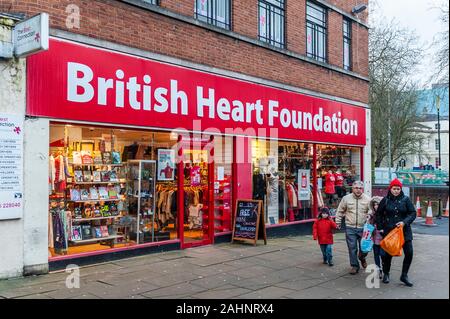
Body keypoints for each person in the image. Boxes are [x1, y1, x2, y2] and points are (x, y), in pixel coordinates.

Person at [376, 178, 416, 287]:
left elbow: (412, 213)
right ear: (390, 189)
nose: (396, 191)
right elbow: (378, 214)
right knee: (387, 255)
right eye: (394, 188)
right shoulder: (385, 200)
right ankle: (386, 273)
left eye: (398, 189)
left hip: (405, 231)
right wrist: (380, 228)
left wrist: (404, 222)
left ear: (400, 189)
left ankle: (404, 275)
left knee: (409, 253)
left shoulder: (406, 200)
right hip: (389, 231)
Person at [335, 180, 371, 274]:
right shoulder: (346, 198)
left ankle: (362, 257)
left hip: (363, 228)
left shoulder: (368, 199)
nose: (358, 190)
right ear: (352, 188)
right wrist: (338, 222)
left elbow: (372, 212)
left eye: (360, 188)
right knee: (352, 248)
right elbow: (340, 211)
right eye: (356, 188)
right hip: (350, 227)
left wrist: (370, 217)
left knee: (364, 249)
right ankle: (354, 266)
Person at [368, 196, 384, 279]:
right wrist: (369, 219)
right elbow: (368, 227)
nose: (376, 206)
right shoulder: (372, 215)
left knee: (383, 255)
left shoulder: (384, 215)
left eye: (378, 204)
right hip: (374, 239)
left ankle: (385, 270)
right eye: (374, 204)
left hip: (383, 239)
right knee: (376, 255)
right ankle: (379, 270)